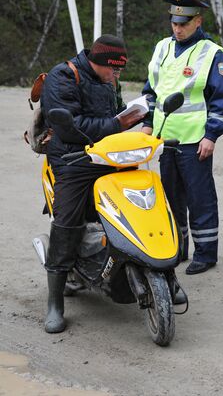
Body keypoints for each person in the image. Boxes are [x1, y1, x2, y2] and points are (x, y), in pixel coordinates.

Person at [41, 34, 144, 333]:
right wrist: (118, 124)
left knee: (138, 199)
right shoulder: (63, 76)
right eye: (114, 69)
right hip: (72, 159)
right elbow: (70, 127)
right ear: (98, 63)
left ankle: (160, 271)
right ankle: (55, 300)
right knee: (68, 219)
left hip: (108, 156)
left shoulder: (109, 79)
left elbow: (117, 112)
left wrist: (135, 116)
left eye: (119, 71)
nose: (116, 76)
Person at [141, 0, 223, 275]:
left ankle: (206, 254)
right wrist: (147, 122)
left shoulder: (211, 53)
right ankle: (177, 249)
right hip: (164, 138)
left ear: (198, 21)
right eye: (174, 23)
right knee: (170, 197)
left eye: (184, 23)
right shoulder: (162, 48)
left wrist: (211, 135)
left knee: (200, 197)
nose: (178, 29)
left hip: (195, 140)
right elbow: (151, 92)